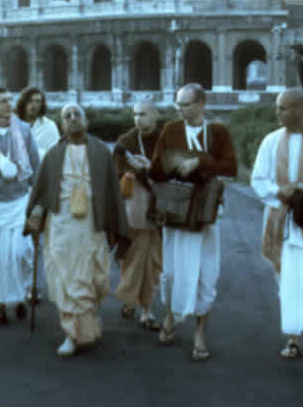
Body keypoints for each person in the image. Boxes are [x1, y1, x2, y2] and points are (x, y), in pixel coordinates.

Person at [25, 103, 130, 357]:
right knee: (67, 279)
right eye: (67, 116)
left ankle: (88, 321)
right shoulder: (53, 154)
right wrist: (37, 211)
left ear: (86, 121)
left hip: (91, 226)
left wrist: (117, 226)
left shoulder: (101, 153)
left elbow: (113, 194)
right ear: (62, 125)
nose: (72, 119)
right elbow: (42, 189)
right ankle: (72, 334)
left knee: (95, 280)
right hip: (61, 225)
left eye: (77, 115)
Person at [251, 88, 303, 373]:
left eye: (284, 108)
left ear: (301, 109)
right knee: (286, 282)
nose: (278, 113)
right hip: (281, 220)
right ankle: (292, 339)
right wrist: (280, 191)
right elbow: (258, 180)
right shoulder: (271, 142)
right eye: (278, 108)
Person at [149, 84, 237, 360]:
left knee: (204, 274)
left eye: (185, 104)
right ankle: (172, 318)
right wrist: (175, 165)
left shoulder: (218, 132)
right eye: (178, 105)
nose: (180, 110)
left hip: (204, 213)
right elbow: (155, 169)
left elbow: (231, 168)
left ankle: (200, 334)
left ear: (200, 103)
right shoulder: (172, 130)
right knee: (172, 273)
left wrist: (199, 162)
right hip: (176, 210)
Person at [0, 87, 40, 325]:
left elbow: (35, 164)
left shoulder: (23, 129)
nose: (8, 105)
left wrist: (38, 203)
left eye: (9, 100)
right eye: (2, 101)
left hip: (20, 199)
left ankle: (21, 295)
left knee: (19, 253)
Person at [114, 99, 162, 330]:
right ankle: (129, 299)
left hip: (162, 209)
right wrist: (132, 169)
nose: (138, 119)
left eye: (143, 114)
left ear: (155, 115)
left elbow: (173, 172)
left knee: (153, 261)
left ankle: (147, 309)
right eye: (135, 114)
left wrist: (149, 168)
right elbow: (115, 175)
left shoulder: (166, 141)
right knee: (132, 257)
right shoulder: (126, 142)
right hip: (133, 207)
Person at [16, 86, 60, 161]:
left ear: (42, 105)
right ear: (23, 102)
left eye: (38, 101)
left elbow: (55, 154)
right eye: (30, 101)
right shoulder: (12, 125)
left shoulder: (50, 126)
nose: (34, 105)